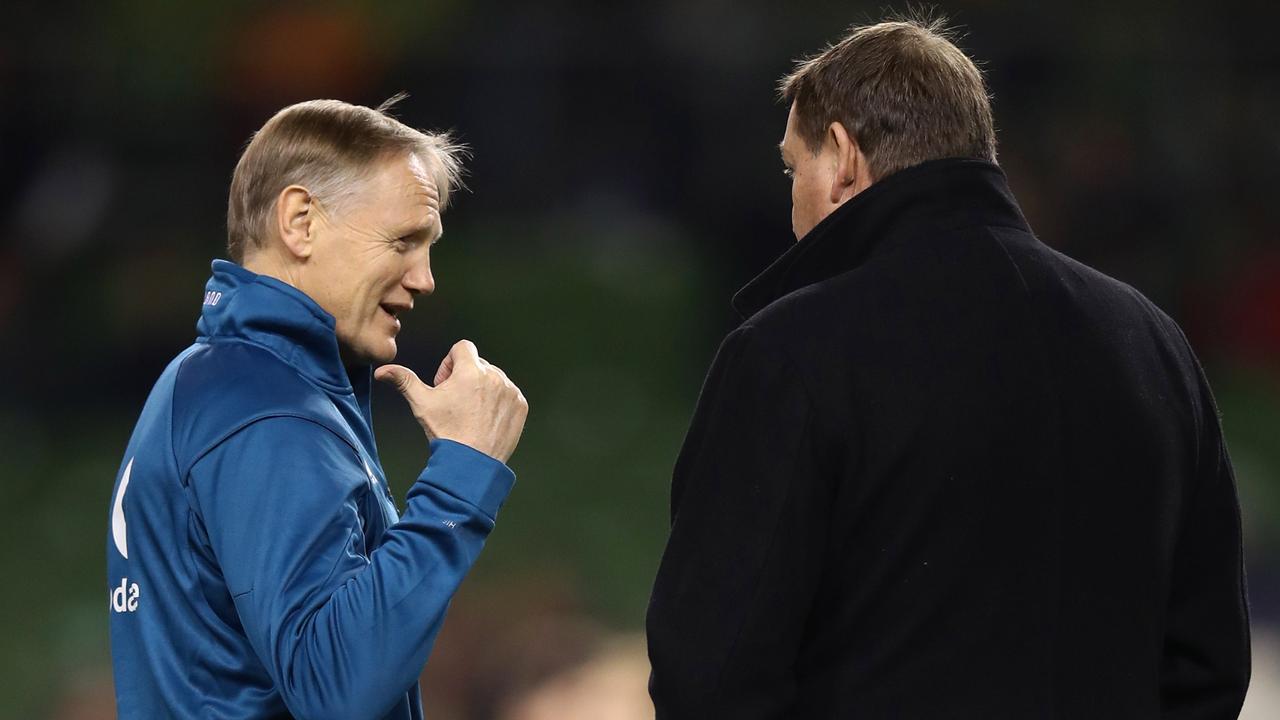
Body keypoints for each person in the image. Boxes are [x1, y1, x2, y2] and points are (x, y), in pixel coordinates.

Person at [646, 18, 1251, 719]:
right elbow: (1208, 663)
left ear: (842, 156)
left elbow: (712, 676)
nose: (791, 201)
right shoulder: (1153, 344)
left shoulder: (790, 353)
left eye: (793, 168)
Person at [106, 97, 528, 719]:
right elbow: (337, 689)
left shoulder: (211, 382)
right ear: (301, 221)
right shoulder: (266, 408)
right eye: (404, 241)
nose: (425, 278)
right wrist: (462, 477)